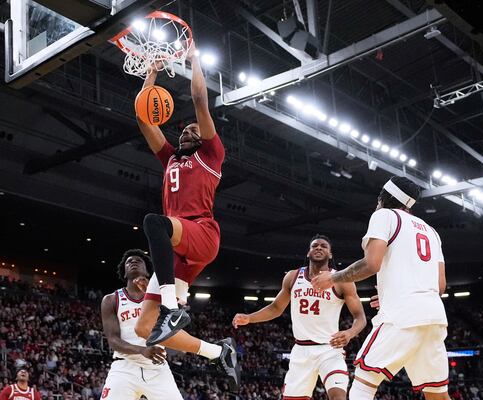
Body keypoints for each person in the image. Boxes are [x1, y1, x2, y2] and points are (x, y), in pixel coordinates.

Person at [133, 40, 239, 390]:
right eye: (184, 128)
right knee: (144, 329)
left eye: (192, 129)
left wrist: (194, 61)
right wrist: (150, 75)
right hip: (178, 250)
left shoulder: (211, 154)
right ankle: (218, 352)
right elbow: (143, 117)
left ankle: (172, 305)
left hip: (201, 234)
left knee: (153, 222)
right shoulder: (170, 159)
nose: (186, 129)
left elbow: (199, 101)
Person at [312, 176, 450, 400]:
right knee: (438, 396)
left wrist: (334, 277)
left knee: (363, 384)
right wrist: (390, 293)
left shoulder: (384, 215)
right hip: (434, 317)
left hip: (402, 315)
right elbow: (440, 286)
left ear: (382, 198)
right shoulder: (431, 231)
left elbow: (371, 263)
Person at [232, 235, 366, 400]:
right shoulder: (293, 277)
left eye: (324, 246)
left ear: (330, 255)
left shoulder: (342, 280)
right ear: (308, 253)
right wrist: (250, 318)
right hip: (301, 351)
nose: (318, 248)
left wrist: (350, 333)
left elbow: (360, 317)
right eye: (314, 246)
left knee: (338, 396)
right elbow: (276, 308)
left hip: (329, 349)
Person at [99, 249, 182, 400]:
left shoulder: (162, 298)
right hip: (124, 367)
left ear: (147, 272)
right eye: (129, 261)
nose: (133, 262)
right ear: (124, 273)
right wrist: (141, 350)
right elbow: (112, 340)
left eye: (138, 260)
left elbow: (177, 326)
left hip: (157, 368)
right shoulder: (111, 300)